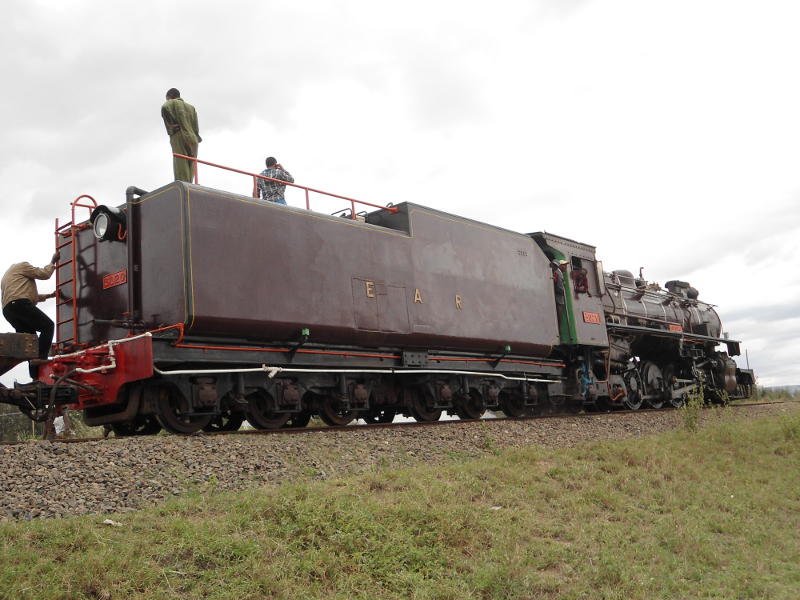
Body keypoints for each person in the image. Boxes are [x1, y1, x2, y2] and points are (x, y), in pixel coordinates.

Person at [1, 253, 59, 378]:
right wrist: (52, 262)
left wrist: (51, 295)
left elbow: (31, 296)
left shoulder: (8, 277)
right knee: (48, 326)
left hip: (9, 310)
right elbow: (44, 274)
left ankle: (35, 377)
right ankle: (41, 358)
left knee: (30, 344)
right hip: (19, 304)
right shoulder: (23, 265)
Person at [161, 88, 201, 183]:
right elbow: (196, 126)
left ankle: (182, 184)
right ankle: (189, 184)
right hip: (193, 138)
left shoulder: (172, 102)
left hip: (180, 135)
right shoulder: (191, 108)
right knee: (191, 163)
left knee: (180, 162)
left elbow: (165, 107)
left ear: (169, 97)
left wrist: (171, 126)